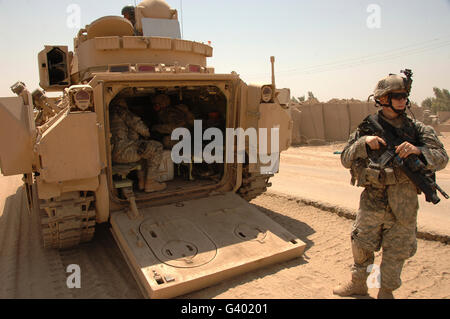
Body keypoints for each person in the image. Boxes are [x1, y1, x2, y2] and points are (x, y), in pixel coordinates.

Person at [333, 73, 448, 299]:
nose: (402, 101)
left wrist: (418, 151)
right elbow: (345, 158)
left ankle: (385, 292)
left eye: (404, 96)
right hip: (373, 200)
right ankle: (359, 285)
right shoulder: (367, 128)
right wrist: (362, 144)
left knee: (396, 251)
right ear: (383, 99)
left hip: (404, 202)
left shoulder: (418, 130)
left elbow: (442, 157)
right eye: (397, 96)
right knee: (362, 245)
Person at [110, 98, 166, 193]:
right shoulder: (121, 111)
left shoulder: (106, 113)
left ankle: (142, 182)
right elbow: (139, 126)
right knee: (156, 147)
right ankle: (151, 183)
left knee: (143, 149)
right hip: (123, 152)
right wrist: (150, 133)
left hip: (110, 155)